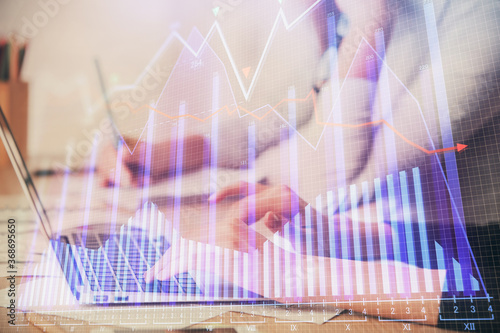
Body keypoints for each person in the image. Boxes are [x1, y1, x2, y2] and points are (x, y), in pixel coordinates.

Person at [95, 0, 500, 327]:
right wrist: (165, 156)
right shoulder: (344, 16)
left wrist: (372, 20)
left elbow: (356, 172)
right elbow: (299, 110)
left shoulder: (481, 17)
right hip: (386, 243)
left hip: (464, 272)